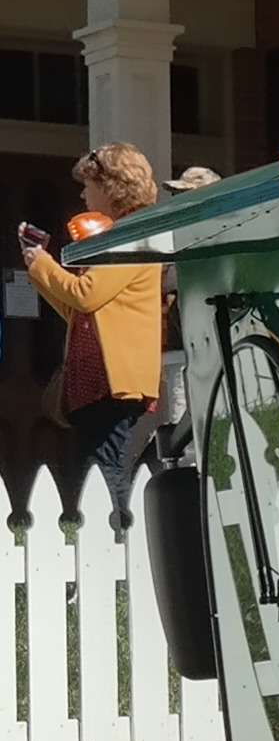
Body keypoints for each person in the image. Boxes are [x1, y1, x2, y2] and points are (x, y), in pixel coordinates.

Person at [18, 143, 164, 529]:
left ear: (112, 186)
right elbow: (79, 310)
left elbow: (87, 294)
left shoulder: (130, 234)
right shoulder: (118, 235)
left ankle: (117, 549)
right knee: (90, 473)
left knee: (105, 472)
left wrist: (45, 265)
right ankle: (106, 551)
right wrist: (39, 270)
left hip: (113, 383)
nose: (82, 194)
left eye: (88, 185)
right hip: (94, 381)